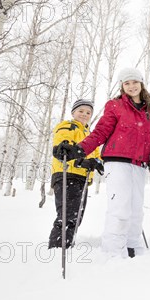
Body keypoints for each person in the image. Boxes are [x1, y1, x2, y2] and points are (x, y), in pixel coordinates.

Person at [53, 68, 150, 258]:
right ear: (122, 86)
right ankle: (113, 252)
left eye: (134, 82)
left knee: (136, 210)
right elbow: (100, 132)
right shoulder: (115, 105)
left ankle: (133, 249)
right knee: (120, 208)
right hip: (116, 161)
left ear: (141, 83)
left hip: (139, 164)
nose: (131, 86)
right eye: (127, 83)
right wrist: (79, 149)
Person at [49, 99, 103, 249]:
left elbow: (95, 154)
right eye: (81, 111)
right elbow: (63, 149)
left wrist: (98, 163)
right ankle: (57, 248)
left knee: (76, 217)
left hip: (82, 178)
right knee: (67, 216)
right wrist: (80, 161)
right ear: (73, 112)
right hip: (67, 175)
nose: (84, 115)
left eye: (88, 112)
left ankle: (67, 245)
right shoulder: (68, 127)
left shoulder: (88, 133)